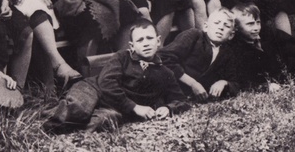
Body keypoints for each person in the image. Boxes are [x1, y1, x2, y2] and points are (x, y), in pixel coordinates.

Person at [43, 20, 189, 134]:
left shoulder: (165, 72)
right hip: (94, 89)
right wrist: (134, 107)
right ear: (132, 46)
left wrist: (169, 108)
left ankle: (76, 123)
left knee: (104, 121)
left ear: (158, 41)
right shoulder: (122, 57)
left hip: (117, 107)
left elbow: (181, 100)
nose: (145, 43)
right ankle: (51, 118)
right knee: (79, 109)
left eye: (149, 38)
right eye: (140, 40)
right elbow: (107, 83)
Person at [157, 8, 241, 99]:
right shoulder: (194, 36)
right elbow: (164, 57)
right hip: (172, 89)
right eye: (217, 23)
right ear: (205, 26)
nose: (221, 27)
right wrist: (193, 83)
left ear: (231, 35)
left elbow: (234, 82)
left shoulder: (227, 52)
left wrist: (224, 82)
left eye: (227, 26)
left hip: (195, 98)